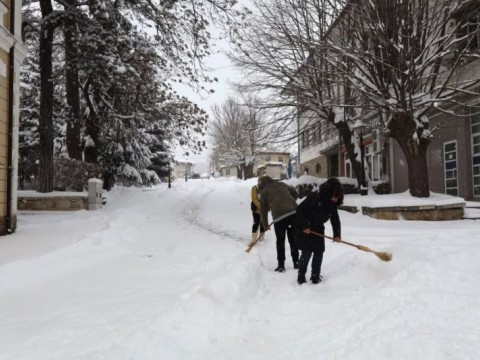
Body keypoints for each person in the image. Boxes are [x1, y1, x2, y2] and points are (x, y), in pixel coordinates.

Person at [295, 177, 343, 285]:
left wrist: (337, 234)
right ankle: (301, 277)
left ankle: (315, 276)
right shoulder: (315, 197)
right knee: (307, 252)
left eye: (337, 197)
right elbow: (300, 210)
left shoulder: (332, 204)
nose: (335, 199)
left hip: (318, 228)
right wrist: (305, 226)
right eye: (334, 196)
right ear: (329, 192)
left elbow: (335, 220)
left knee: (319, 252)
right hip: (305, 228)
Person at [258, 175, 299, 272]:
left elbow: (263, 210)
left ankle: (281, 265)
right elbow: (295, 194)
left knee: (280, 241)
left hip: (279, 218)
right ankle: (296, 262)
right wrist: (289, 202)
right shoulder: (282, 184)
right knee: (293, 240)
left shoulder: (264, 192)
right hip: (293, 214)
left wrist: (265, 225)